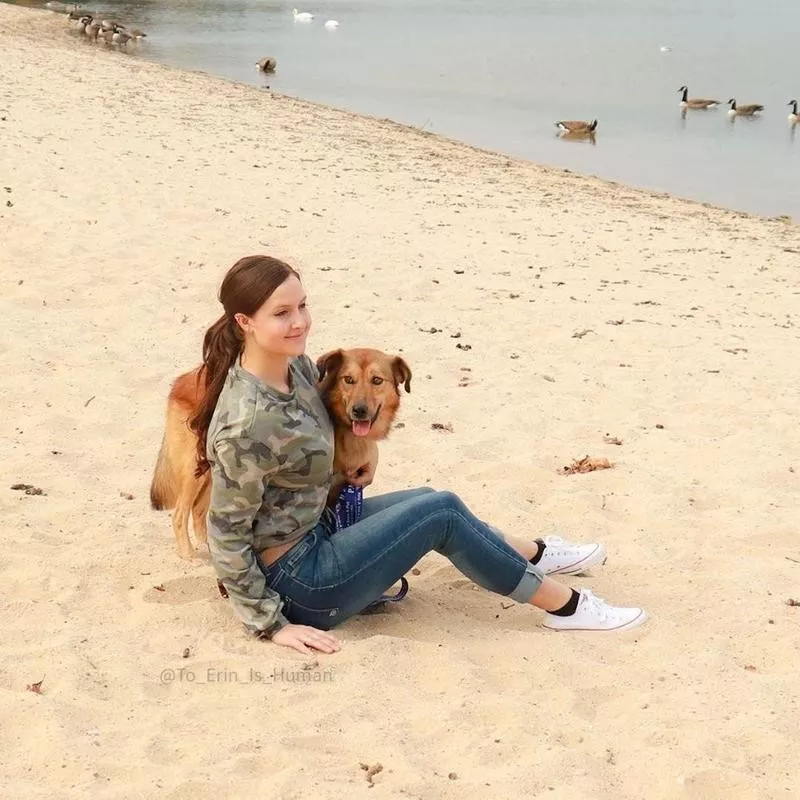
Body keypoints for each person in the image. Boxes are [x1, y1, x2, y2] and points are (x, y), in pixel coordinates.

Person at [189, 255, 648, 655]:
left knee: (429, 497)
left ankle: (537, 554)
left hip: (318, 531)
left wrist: (363, 455)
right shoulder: (246, 423)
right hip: (302, 583)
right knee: (440, 511)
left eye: (303, 305)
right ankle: (565, 605)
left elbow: (331, 420)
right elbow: (224, 533)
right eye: (281, 313)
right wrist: (270, 625)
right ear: (244, 322)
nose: (300, 322)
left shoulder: (296, 368)